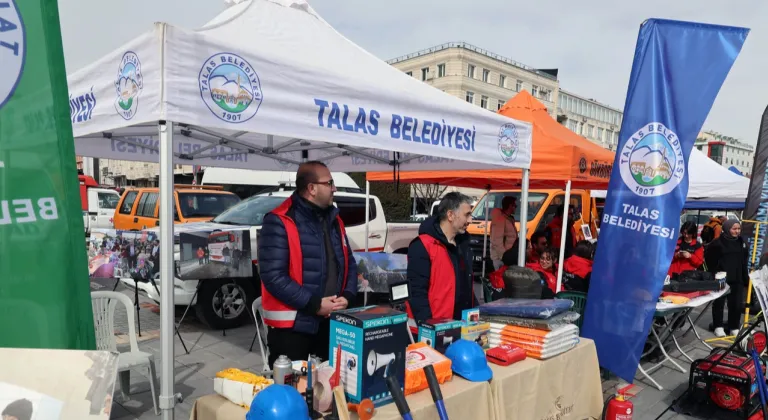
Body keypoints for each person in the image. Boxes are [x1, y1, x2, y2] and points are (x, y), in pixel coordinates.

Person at [258, 161, 357, 366]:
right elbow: (274, 277)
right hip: (293, 330)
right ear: (311, 188)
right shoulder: (279, 220)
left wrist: (347, 296)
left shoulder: (334, 220)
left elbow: (349, 264)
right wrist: (315, 304)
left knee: (327, 390)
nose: (334, 188)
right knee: (292, 394)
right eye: (329, 183)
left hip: (330, 323)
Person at [407, 192, 478, 323]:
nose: (470, 220)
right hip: (437, 328)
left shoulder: (463, 245)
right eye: (467, 215)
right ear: (450, 215)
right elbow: (416, 293)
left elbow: (466, 286)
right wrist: (428, 327)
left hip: (463, 324)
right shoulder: (422, 246)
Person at [705, 219, 749, 338]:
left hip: (737, 278)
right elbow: (709, 259)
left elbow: (744, 261)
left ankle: (734, 327)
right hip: (722, 278)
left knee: (736, 304)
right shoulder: (717, 243)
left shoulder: (741, 242)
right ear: (727, 228)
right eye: (734, 229)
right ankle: (718, 326)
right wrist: (715, 272)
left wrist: (746, 278)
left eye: (738, 229)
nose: (737, 231)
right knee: (719, 302)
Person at [490, 196, 518, 270]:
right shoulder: (500, 219)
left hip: (508, 257)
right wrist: (504, 256)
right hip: (502, 259)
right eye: (515, 205)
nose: (516, 208)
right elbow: (496, 240)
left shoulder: (508, 218)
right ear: (510, 206)